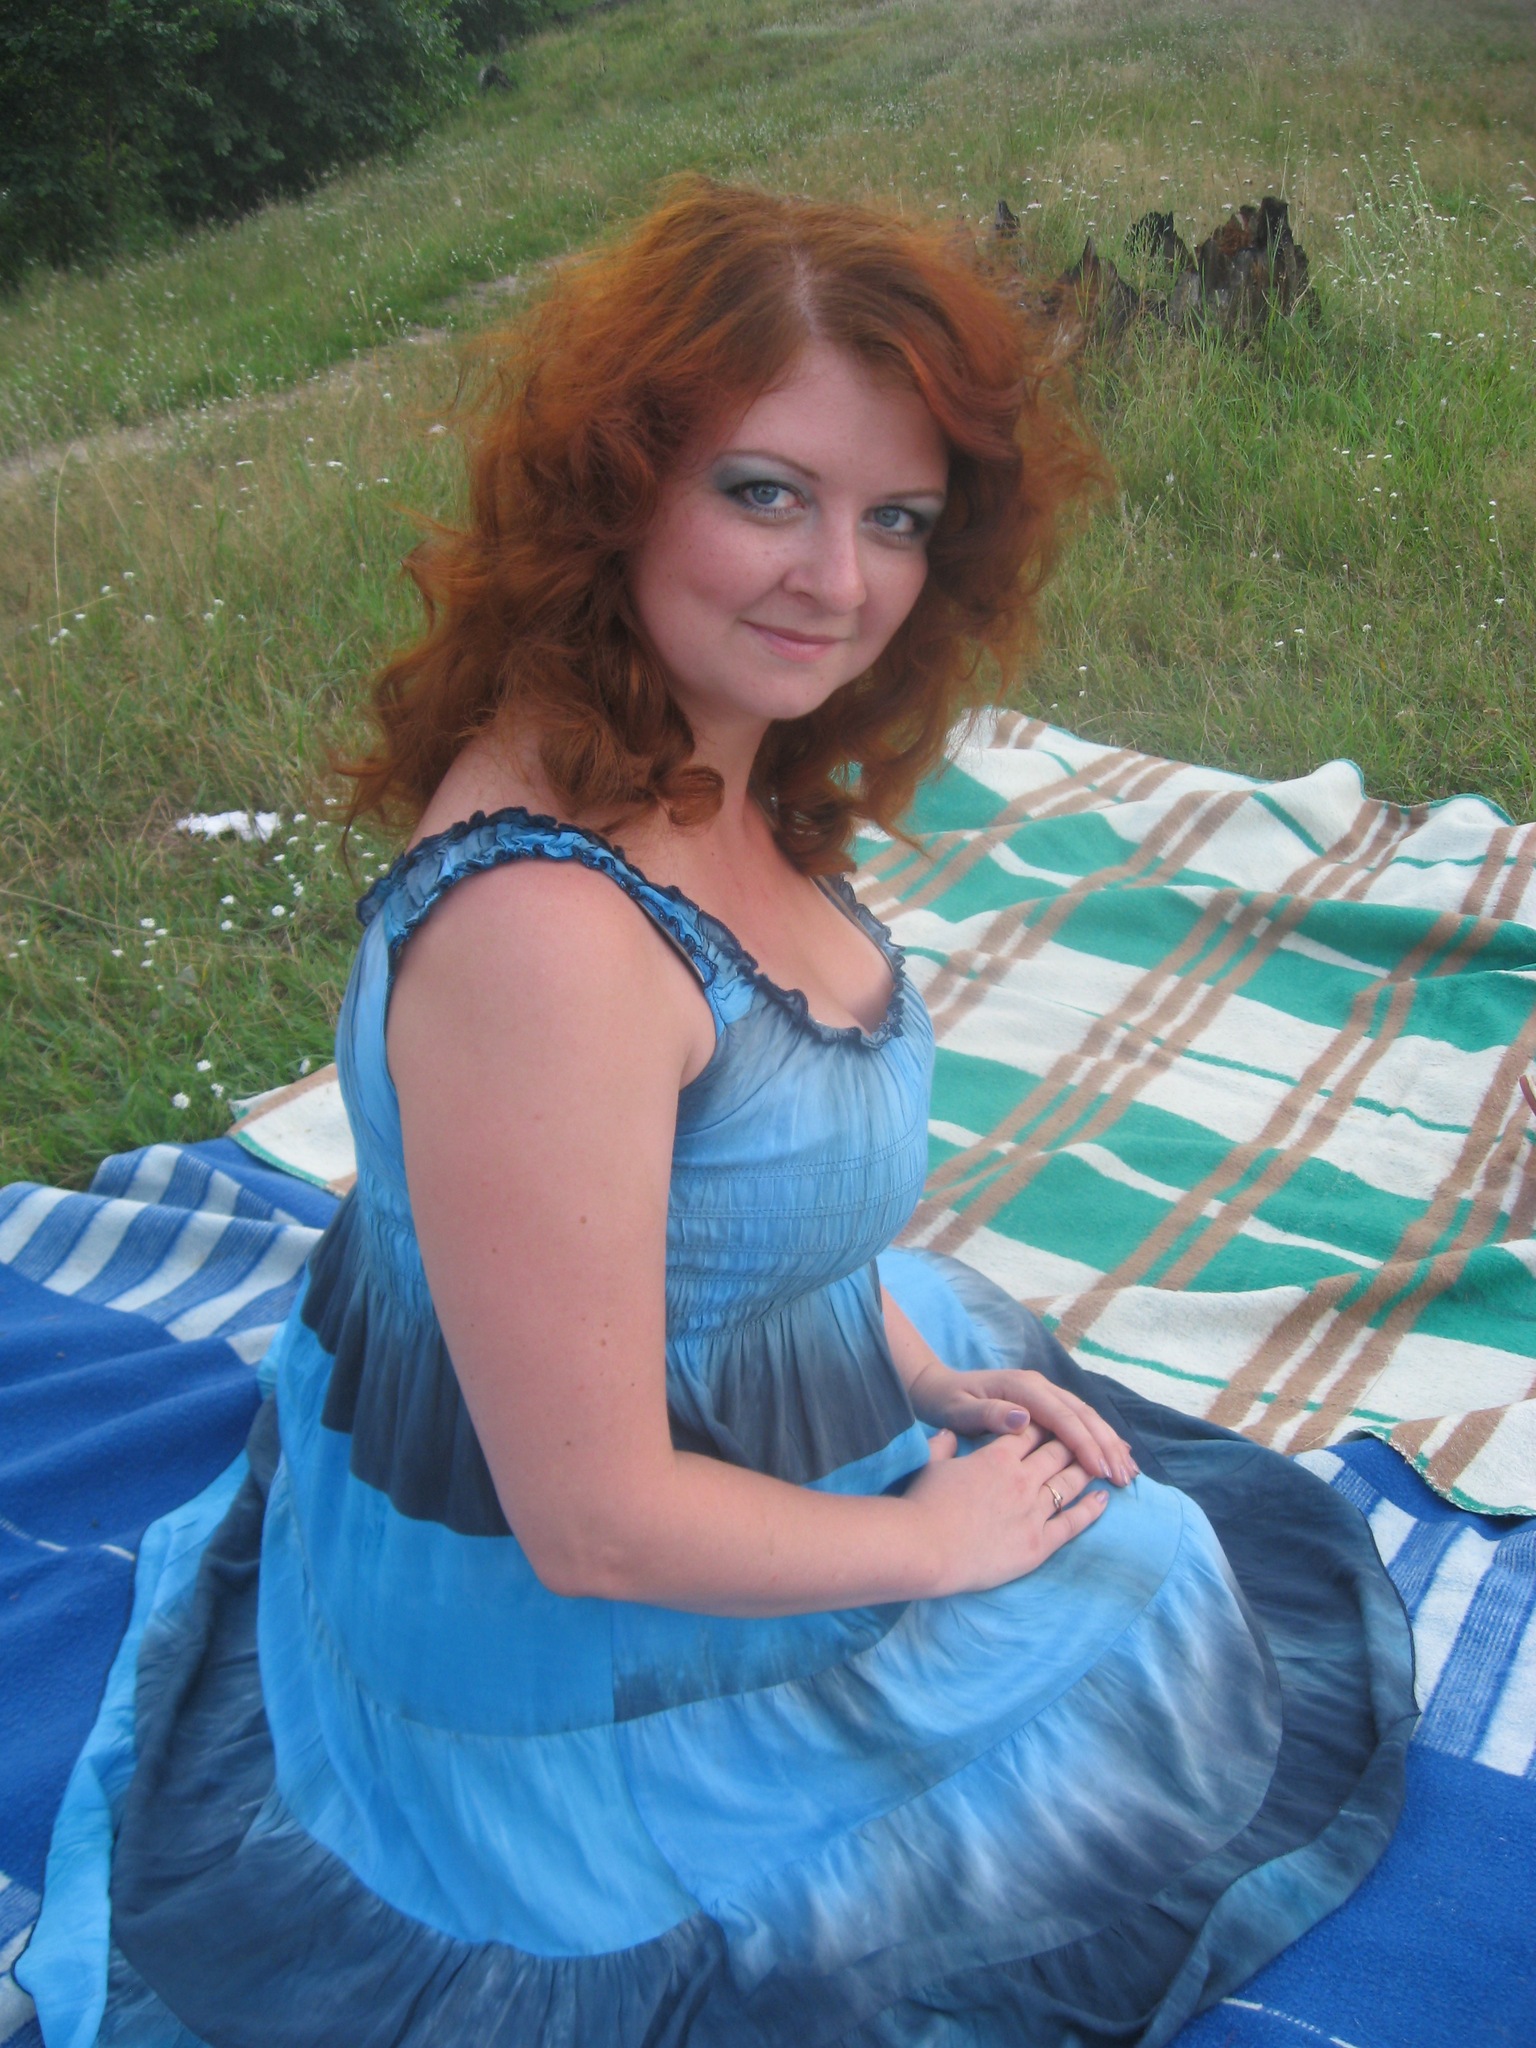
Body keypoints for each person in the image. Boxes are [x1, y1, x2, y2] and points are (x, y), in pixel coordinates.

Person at [22, 178, 1416, 2048]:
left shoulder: (673, 747)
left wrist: (910, 1386)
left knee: (974, 1343)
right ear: (618, 489)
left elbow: (711, 1218)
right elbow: (594, 1527)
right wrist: (931, 1546)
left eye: (896, 517)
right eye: (766, 493)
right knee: (1147, 1582)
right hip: (551, 1658)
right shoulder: (550, 938)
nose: (838, 581)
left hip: (624, 1381)